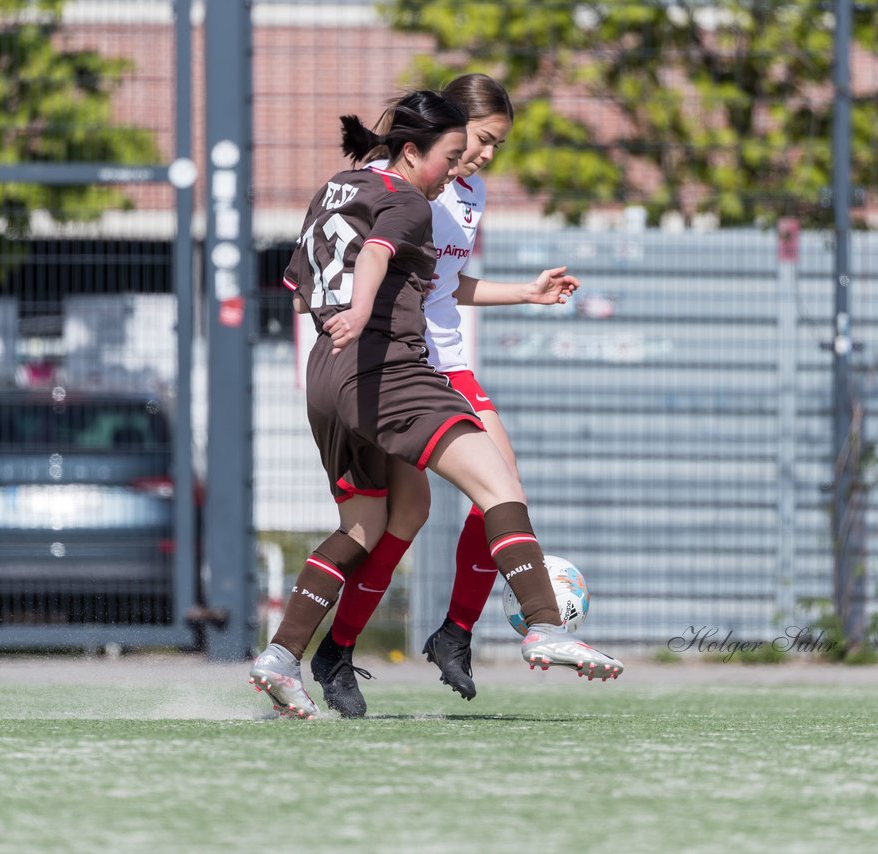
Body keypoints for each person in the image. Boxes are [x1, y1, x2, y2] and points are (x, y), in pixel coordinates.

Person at [248, 90, 624, 719]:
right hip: (391, 369)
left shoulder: (337, 187)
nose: (462, 166)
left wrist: (352, 318)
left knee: (366, 525)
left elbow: (302, 286)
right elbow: (376, 254)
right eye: (458, 150)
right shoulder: (409, 199)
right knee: (497, 481)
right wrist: (369, 313)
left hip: (329, 373)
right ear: (415, 148)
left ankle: (282, 656)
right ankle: (542, 624)